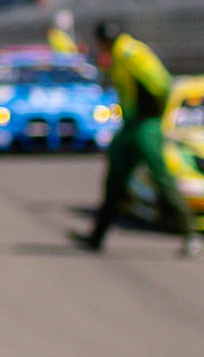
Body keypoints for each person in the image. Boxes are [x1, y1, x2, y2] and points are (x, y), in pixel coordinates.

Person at [78, 14, 190, 254]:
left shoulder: (130, 54)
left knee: (161, 177)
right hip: (131, 125)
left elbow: (162, 85)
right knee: (114, 179)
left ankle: (190, 232)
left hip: (145, 125)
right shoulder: (118, 54)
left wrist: (157, 117)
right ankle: (96, 236)